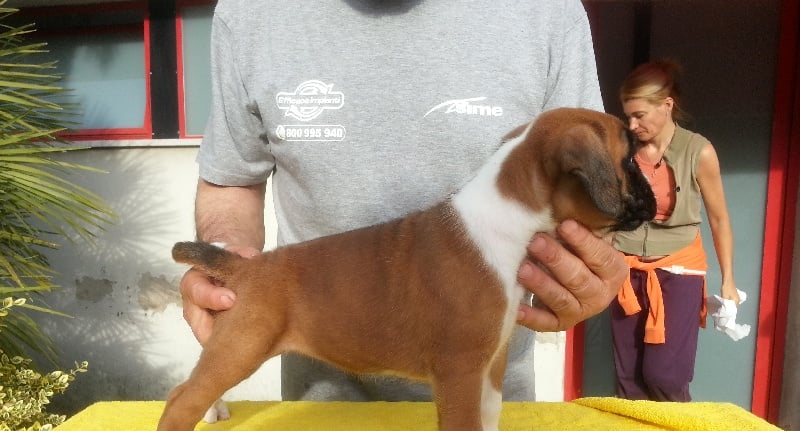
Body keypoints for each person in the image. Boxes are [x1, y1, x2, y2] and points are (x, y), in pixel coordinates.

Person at [181, 0, 629, 404]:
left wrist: (582, 272)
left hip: (488, 403)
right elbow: (233, 180)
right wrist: (225, 260)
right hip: (323, 402)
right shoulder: (250, 14)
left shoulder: (548, 13)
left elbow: (588, 191)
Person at [610, 60, 740, 402]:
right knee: (629, 377)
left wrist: (728, 279)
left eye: (640, 115)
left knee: (665, 375)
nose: (632, 125)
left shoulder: (699, 151)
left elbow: (719, 219)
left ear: (667, 105)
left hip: (679, 268)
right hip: (625, 267)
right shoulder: (621, 149)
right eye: (628, 116)